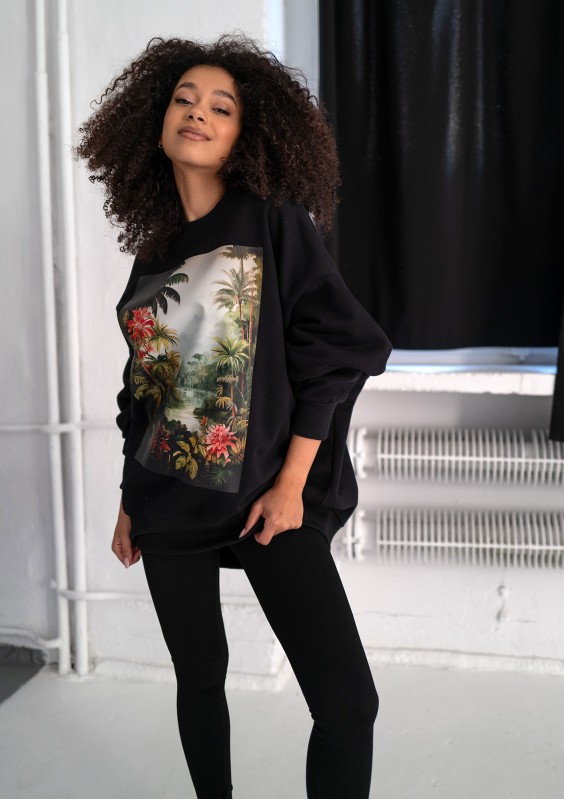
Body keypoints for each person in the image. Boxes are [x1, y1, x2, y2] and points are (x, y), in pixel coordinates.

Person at [74, 33, 392, 799]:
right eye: (183, 99)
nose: (198, 112)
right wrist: (128, 500)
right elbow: (144, 390)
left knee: (348, 704)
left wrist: (291, 485)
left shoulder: (271, 221)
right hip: (164, 502)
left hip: (265, 499)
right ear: (155, 122)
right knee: (199, 678)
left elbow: (335, 349)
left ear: (246, 133)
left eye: (221, 106)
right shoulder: (154, 252)